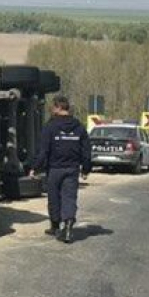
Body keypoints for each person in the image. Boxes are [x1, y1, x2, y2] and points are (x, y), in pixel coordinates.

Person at [29, 95, 92, 244]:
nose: (51, 109)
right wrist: (86, 169)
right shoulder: (79, 127)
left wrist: (35, 168)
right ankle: (69, 227)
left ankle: (55, 226)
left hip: (55, 169)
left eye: (53, 107)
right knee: (69, 197)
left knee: (54, 198)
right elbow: (86, 151)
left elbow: (43, 151)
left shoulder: (50, 127)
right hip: (72, 169)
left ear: (57, 107)